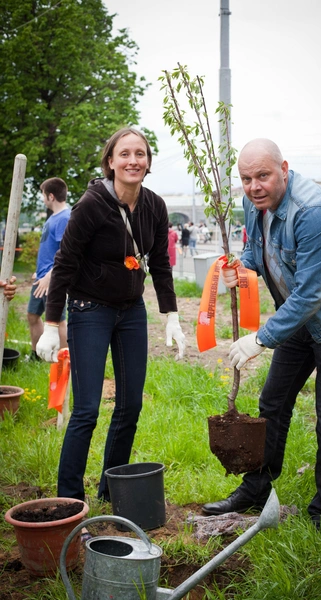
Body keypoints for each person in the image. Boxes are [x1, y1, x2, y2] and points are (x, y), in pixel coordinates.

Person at [202, 138, 321, 538]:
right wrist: (239, 269)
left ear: (284, 168)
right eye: (246, 178)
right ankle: (257, 488)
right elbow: (254, 251)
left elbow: (312, 294)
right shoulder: (253, 201)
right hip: (299, 315)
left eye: (263, 175)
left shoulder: (314, 212)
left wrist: (261, 339)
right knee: (272, 402)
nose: (254, 185)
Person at [36, 126, 186, 502]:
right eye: (125, 154)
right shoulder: (91, 205)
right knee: (86, 410)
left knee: (130, 404)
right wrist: (52, 324)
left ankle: (111, 491)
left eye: (140, 154)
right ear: (110, 161)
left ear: (148, 162)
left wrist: (171, 316)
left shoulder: (154, 206)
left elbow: (162, 264)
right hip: (90, 309)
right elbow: (66, 261)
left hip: (132, 311)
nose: (133, 160)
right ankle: (70, 498)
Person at [27, 178, 70, 361]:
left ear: (51, 196)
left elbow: (67, 253)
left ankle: (64, 360)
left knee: (58, 321)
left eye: (43, 195)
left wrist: (50, 277)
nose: (43, 199)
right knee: (32, 315)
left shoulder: (65, 218)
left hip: (52, 280)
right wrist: (40, 272)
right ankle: (38, 355)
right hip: (41, 278)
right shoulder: (53, 217)